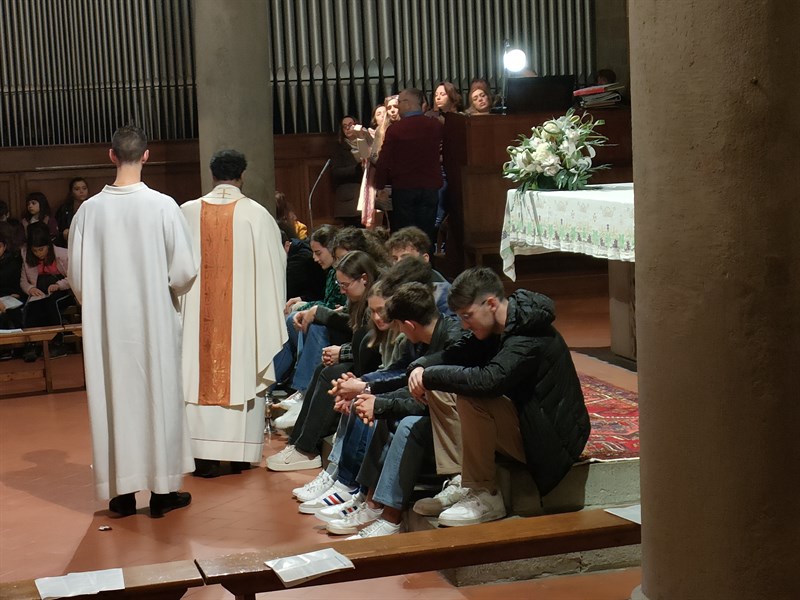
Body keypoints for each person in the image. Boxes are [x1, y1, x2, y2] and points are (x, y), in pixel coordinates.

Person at [68, 125, 199, 518]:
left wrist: (100, 302)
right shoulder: (162, 205)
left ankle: (120, 496)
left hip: (107, 325)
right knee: (157, 397)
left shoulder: (88, 211)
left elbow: (77, 276)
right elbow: (184, 272)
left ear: (111, 156)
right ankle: (162, 494)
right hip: (153, 320)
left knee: (115, 400)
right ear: (146, 155)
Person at [407, 267, 590, 526]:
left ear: (491, 304)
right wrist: (420, 366)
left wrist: (429, 375)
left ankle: (486, 494)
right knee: (441, 386)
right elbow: (456, 354)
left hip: (551, 440)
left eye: (467, 316)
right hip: (527, 422)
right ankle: (462, 480)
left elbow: (489, 381)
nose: (464, 325)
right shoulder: (498, 327)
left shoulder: (529, 334)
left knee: (473, 397)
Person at [180, 149, 287, 479]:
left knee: (195, 372)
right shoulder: (257, 215)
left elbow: (173, 272)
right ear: (242, 176)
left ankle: (203, 456)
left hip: (197, 327)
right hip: (241, 329)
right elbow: (276, 271)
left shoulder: (185, 213)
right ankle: (239, 455)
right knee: (242, 371)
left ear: (212, 175)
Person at [374, 88, 443, 245]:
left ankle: (408, 266)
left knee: (406, 236)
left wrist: (380, 185)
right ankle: (427, 265)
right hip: (430, 188)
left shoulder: (395, 130)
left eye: (399, 103)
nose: (397, 107)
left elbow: (384, 160)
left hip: (405, 189)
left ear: (409, 104)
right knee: (426, 235)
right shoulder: (435, 126)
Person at [20, 222, 72, 361]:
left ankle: (57, 342)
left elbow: (73, 277)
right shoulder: (26, 255)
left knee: (51, 303)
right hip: (40, 291)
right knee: (31, 307)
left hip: (62, 291)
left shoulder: (63, 255)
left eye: (41, 249)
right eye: (35, 250)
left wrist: (58, 285)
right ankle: (32, 344)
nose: (38, 253)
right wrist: (31, 289)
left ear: (48, 245)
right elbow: (23, 281)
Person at [331, 115, 364, 223]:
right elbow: (336, 172)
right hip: (349, 198)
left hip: (365, 192)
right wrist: (357, 168)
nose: (347, 128)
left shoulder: (365, 142)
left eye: (350, 125)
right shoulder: (339, 147)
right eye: (344, 126)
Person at [55, 177, 90, 246]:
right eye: (77, 189)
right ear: (71, 192)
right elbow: (59, 229)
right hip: (69, 242)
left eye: (84, 188)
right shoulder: (64, 208)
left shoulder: (93, 206)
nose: (81, 191)